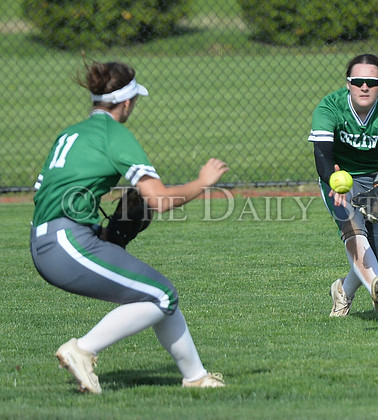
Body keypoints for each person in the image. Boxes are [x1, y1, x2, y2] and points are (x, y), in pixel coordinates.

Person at [29, 60, 229, 393]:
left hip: (50, 240)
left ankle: (196, 377)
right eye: (134, 101)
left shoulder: (70, 134)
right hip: (66, 243)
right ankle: (83, 350)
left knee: (156, 292)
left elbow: (44, 194)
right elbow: (159, 200)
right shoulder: (114, 134)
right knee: (162, 295)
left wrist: (102, 235)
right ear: (126, 102)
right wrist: (202, 183)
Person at [308, 53, 378, 321]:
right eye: (357, 81)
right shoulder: (330, 107)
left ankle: (343, 292)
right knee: (356, 234)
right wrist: (333, 181)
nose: (364, 87)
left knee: (377, 256)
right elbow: (322, 155)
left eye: (372, 82)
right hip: (339, 179)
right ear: (348, 83)